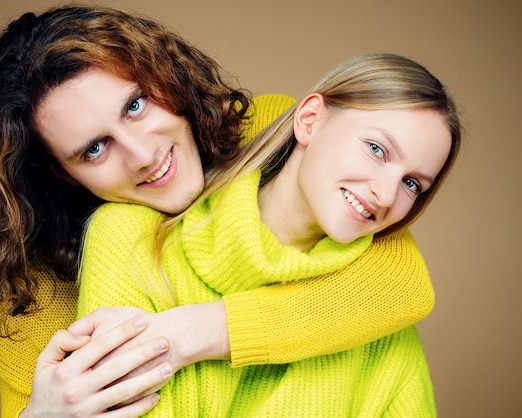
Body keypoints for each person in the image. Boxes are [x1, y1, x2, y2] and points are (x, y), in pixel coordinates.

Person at [0, 5, 441, 417]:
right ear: (64, 173)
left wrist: (188, 334)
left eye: (135, 105)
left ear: (164, 79)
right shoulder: (34, 289)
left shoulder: (264, 133)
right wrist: (45, 414)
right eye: (94, 149)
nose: (144, 153)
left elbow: (402, 286)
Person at [76, 51, 460, 416]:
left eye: (412, 183)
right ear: (309, 120)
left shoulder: (378, 315)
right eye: (377, 149)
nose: (386, 194)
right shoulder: (131, 238)